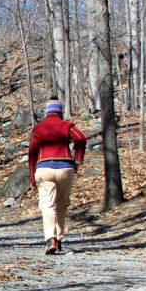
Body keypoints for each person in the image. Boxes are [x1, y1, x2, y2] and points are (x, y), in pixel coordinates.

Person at [28, 98, 87, 255]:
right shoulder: (67, 126)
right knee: (61, 204)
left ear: (47, 111)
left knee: (48, 205)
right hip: (65, 168)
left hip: (44, 169)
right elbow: (81, 138)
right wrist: (78, 161)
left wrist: (32, 179)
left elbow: (32, 154)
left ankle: (50, 239)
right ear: (60, 111)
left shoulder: (38, 128)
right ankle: (59, 240)